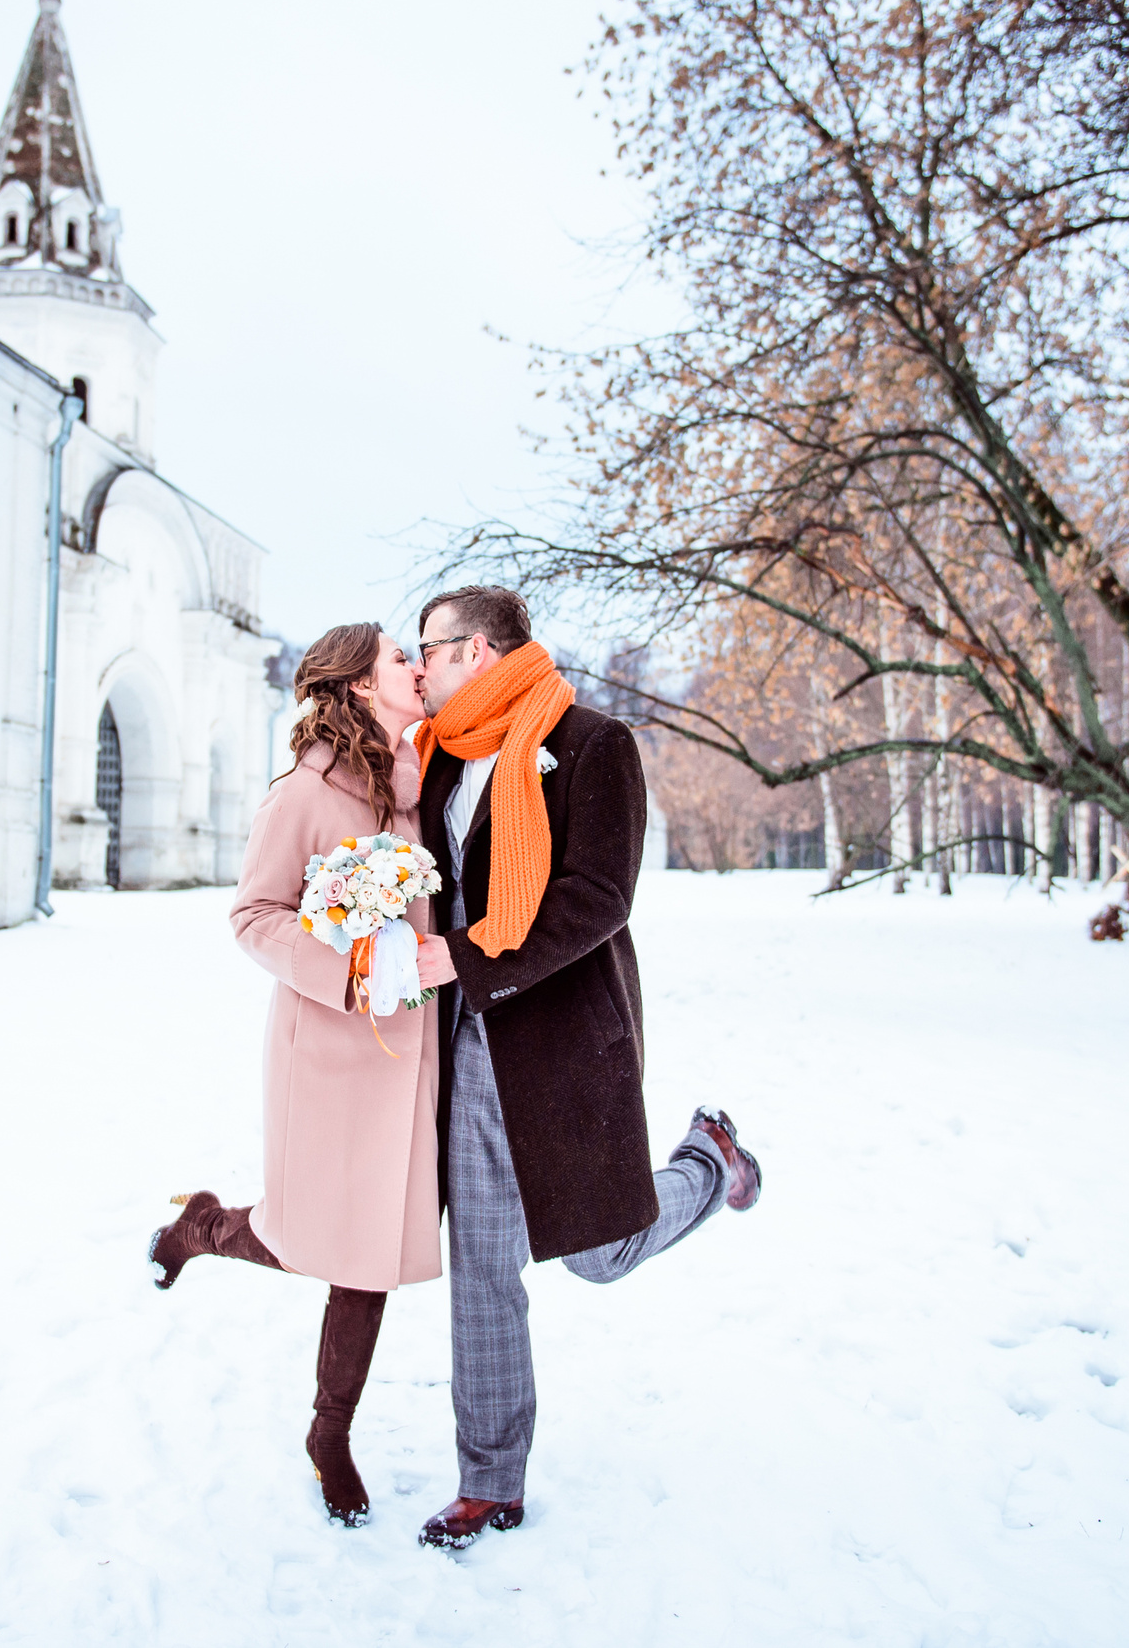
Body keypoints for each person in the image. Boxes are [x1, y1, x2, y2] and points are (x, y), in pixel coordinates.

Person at [407, 584, 764, 1551]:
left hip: (567, 1043)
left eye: (429, 648)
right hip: (471, 1042)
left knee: (601, 1254)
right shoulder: (440, 755)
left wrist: (467, 959)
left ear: (478, 651)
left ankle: (709, 1160)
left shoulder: (595, 744)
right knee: (483, 1265)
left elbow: (601, 896)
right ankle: (490, 1482)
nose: (420, 665)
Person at [145, 622, 459, 1526]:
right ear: (360, 684)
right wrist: (353, 968)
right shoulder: (303, 791)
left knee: (368, 1249)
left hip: (409, 1054)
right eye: (399, 657)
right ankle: (205, 1228)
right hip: (325, 1054)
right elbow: (253, 915)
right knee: (313, 1231)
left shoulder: (418, 785)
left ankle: (329, 1431)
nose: (416, 667)